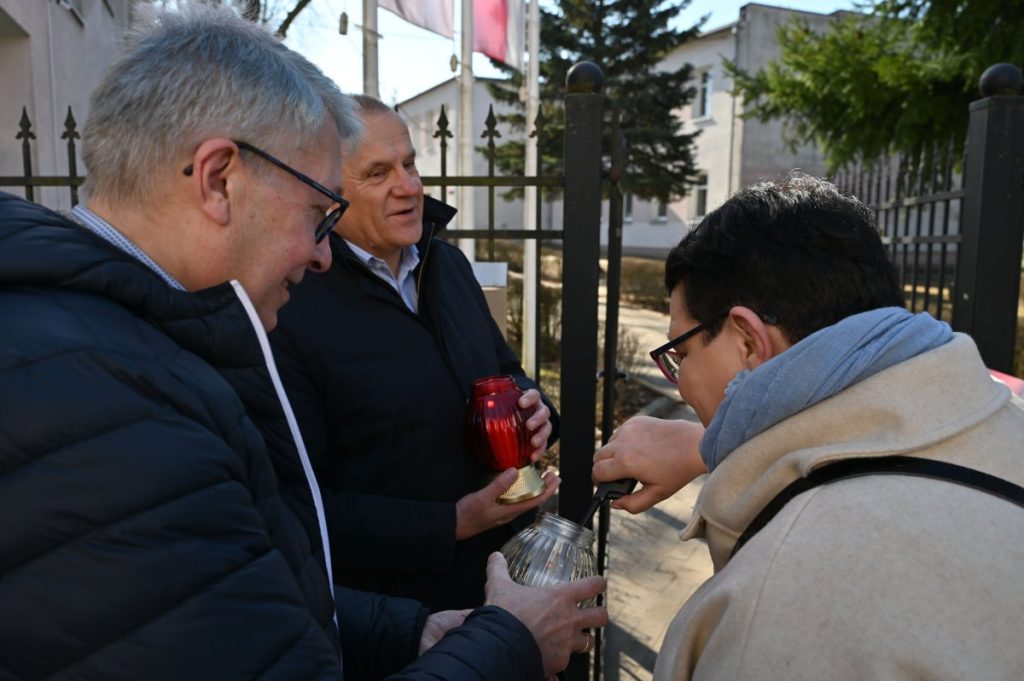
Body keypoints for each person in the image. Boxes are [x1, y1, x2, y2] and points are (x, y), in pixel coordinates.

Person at [0, 5, 606, 680]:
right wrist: (510, 643)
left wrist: (408, 633)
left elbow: (251, 606)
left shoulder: (107, 350)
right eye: (320, 212)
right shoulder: (110, 411)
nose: (322, 255)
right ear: (219, 180)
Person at [592, 172, 1024, 680]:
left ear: (748, 342)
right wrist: (705, 448)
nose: (681, 385)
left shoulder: (772, 608)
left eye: (680, 353)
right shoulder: (1001, 411)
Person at [271, 95, 560, 612]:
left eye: (410, 164)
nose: (409, 187)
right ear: (328, 190)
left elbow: (506, 372)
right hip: (404, 616)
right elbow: (299, 505)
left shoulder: (448, 265)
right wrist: (451, 523)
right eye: (378, 173)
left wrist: (535, 413)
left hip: (505, 580)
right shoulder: (290, 304)